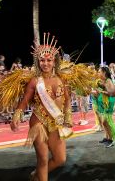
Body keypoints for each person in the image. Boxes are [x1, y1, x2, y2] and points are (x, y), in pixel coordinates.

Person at [10, 33, 73, 181]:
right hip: (38, 122)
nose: (45, 63)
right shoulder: (34, 81)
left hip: (56, 123)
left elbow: (68, 99)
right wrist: (16, 116)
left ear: (54, 61)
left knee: (60, 159)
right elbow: (25, 101)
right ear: (38, 62)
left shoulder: (61, 79)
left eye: (49, 60)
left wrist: (68, 117)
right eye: (42, 60)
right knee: (43, 159)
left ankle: (36, 175)